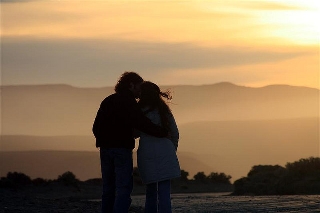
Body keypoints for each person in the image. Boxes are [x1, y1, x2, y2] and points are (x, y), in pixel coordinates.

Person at [92, 72, 168, 213]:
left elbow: (96, 127)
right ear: (131, 84)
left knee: (108, 188)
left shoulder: (108, 100)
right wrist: (162, 132)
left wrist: (103, 141)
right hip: (121, 149)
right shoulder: (129, 102)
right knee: (123, 188)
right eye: (139, 86)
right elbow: (141, 123)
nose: (140, 91)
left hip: (105, 149)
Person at [137, 81, 181, 213]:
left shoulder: (138, 112)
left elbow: (134, 133)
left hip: (146, 151)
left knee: (150, 190)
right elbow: (175, 133)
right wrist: (171, 149)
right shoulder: (164, 111)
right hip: (166, 150)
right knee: (164, 191)